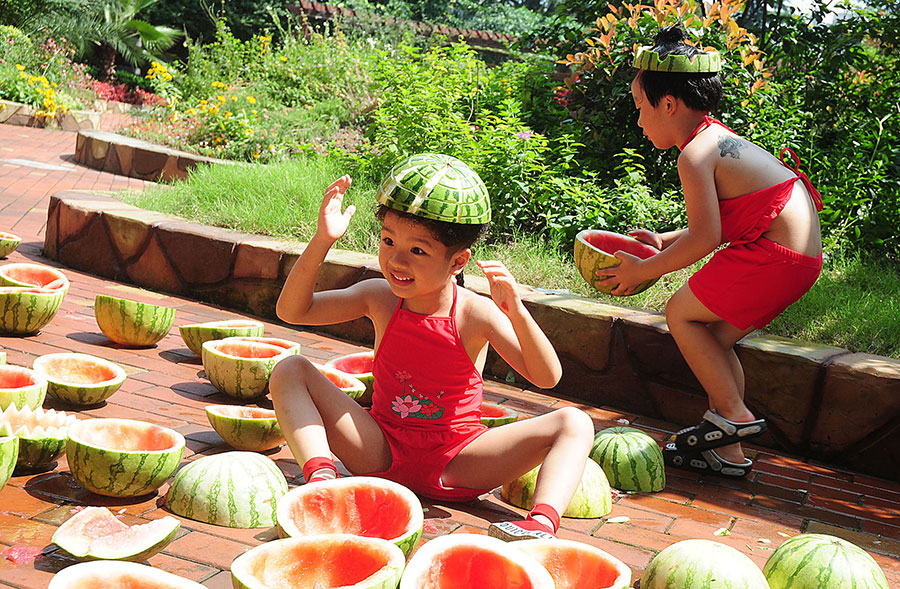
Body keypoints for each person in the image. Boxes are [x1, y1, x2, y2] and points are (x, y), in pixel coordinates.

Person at [270, 153, 595, 540]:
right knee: (290, 369)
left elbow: (546, 377)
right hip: (378, 449)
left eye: (417, 251)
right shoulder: (379, 297)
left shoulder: (476, 313)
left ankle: (540, 523)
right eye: (388, 241)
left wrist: (517, 312)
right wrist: (323, 239)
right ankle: (321, 480)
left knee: (575, 422)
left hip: (458, 462)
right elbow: (293, 311)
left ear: (458, 261)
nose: (396, 259)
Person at [600, 26, 823, 477]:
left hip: (774, 254)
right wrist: (664, 242)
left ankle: (734, 420)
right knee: (714, 342)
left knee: (680, 313)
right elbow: (721, 222)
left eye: (641, 108)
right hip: (796, 256)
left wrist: (645, 269)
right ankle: (728, 451)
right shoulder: (712, 138)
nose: (639, 121)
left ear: (669, 104)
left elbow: (705, 240)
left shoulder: (695, 155)